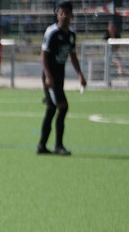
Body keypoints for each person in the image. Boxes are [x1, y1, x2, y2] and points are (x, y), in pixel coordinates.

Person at [38, 1, 86, 156]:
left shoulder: (71, 35)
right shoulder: (52, 32)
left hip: (60, 76)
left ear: (72, 15)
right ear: (57, 15)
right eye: (61, 13)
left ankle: (42, 146)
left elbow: (73, 55)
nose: (64, 16)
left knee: (51, 110)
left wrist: (80, 75)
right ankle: (58, 146)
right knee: (63, 107)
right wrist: (48, 77)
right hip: (50, 77)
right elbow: (44, 56)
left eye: (67, 13)